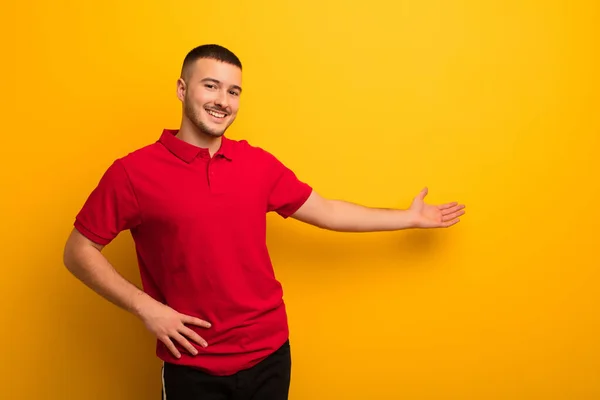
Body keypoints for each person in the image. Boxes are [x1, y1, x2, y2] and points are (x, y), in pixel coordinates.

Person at [63, 44, 466, 400]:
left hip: (270, 353)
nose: (223, 100)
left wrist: (408, 217)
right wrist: (146, 307)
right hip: (193, 363)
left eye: (233, 91)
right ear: (182, 90)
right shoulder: (133, 173)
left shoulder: (256, 163)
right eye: (211, 86)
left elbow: (326, 211)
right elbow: (78, 250)